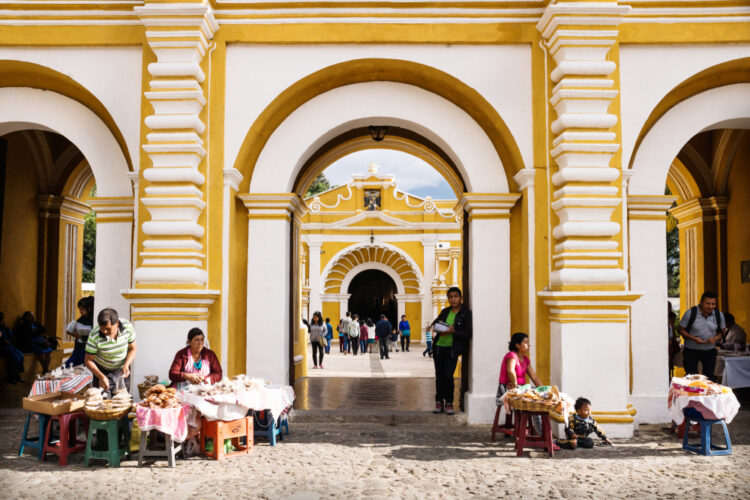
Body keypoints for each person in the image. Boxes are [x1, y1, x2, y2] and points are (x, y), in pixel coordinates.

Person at [431, 287, 472, 415]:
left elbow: (468, 334)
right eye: (450, 297)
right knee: (439, 377)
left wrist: (454, 331)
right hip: (439, 347)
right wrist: (441, 329)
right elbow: (435, 324)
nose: (453, 299)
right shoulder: (445, 311)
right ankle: (439, 402)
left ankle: (449, 402)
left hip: (452, 349)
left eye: (455, 296)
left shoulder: (465, 313)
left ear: (460, 298)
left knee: (448, 376)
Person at [84, 308, 137, 397]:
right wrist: (100, 376)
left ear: (117, 323)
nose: (104, 331)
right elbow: (88, 360)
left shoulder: (128, 327)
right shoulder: (94, 336)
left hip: (122, 371)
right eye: (102, 328)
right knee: (102, 403)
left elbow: (133, 349)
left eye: (108, 329)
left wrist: (126, 365)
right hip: (102, 370)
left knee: (122, 402)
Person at [678, 291, 726, 382]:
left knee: (709, 378)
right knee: (691, 377)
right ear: (701, 302)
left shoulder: (719, 315)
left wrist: (715, 338)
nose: (710, 306)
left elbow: (723, 331)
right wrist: (693, 338)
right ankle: (691, 395)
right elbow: (680, 329)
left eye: (713, 304)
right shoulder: (691, 313)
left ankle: (708, 395)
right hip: (691, 350)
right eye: (707, 303)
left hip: (709, 351)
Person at [497, 332, 542, 400]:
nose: (529, 345)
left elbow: (534, 377)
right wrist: (516, 385)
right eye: (526, 343)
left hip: (520, 388)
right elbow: (510, 371)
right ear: (518, 345)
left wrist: (543, 389)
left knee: (538, 394)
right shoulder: (511, 355)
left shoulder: (526, 359)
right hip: (508, 387)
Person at [64, 296, 94, 367]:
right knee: (69, 366)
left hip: (87, 349)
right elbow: (73, 331)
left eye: (82, 309)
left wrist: (83, 337)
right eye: (79, 309)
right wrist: (74, 334)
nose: (80, 312)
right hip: (78, 348)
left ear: (89, 309)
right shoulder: (81, 319)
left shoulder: (93, 320)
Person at [0, 312, 24, 383]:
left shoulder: (4, 327)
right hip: (2, 347)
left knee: (19, 354)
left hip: (8, 347)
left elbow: (11, 337)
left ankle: (17, 375)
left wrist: (7, 329)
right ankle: (11, 377)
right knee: (12, 356)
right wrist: (3, 341)